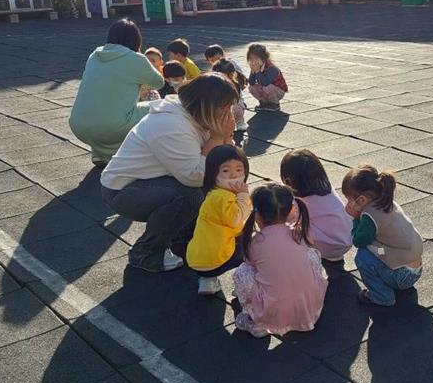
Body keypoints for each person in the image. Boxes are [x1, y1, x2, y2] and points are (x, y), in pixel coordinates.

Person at [100, 74, 238, 272]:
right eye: (224, 107)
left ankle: (182, 234)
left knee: (219, 183)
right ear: (206, 105)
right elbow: (195, 176)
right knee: (189, 196)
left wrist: (226, 137)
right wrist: (217, 138)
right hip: (123, 190)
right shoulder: (170, 125)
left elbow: (227, 163)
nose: (228, 113)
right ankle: (146, 252)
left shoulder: (199, 117)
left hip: (158, 180)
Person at [232, 183, 328, 338]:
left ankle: (259, 324)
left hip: (273, 310)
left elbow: (251, 264)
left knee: (243, 271)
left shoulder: (256, 241)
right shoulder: (299, 233)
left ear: (257, 215)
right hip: (309, 305)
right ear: (291, 210)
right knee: (311, 255)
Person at [69, 19, 166, 166]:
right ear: (136, 40)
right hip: (111, 127)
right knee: (164, 107)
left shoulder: (94, 55)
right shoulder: (136, 58)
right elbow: (159, 83)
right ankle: (139, 153)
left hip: (78, 125)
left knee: (105, 111)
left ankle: (100, 154)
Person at [342, 165, 423, 306]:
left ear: (361, 200)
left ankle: (382, 296)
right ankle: (392, 281)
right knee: (377, 249)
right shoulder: (388, 202)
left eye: (349, 200)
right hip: (416, 270)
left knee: (363, 256)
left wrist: (356, 219)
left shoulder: (369, 216)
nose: (347, 204)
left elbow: (358, 241)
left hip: (401, 276)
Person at [186, 145, 252, 296]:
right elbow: (236, 219)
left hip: (198, 260)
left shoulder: (213, 194)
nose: (233, 175)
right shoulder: (222, 197)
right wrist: (243, 196)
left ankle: (207, 281)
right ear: (213, 174)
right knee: (249, 242)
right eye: (226, 171)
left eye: (239, 170)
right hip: (220, 259)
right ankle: (244, 286)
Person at [280, 149, 353, 263]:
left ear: (288, 180)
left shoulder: (300, 202)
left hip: (331, 247)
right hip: (347, 238)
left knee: (285, 227)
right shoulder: (325, 187)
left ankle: (308, 258)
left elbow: (288, 220)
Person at [247, 43, 287, 111]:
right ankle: (263, 103)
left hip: (278, 91)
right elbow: (251, 83)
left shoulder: (272, 68)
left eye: (256, 58)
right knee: (252, 88)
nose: (253, 61)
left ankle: (275, 104)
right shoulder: (255, 67)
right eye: (251, 58)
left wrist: (257, 71)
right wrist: (253, 72)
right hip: (265, 89)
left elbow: (265, 83)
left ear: (263, 58)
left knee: (267, 87)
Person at [212, 59, 249, 132]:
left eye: (221, 76)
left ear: (231, 75)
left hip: (233, 106)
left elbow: (235, 101)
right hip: (220, 108)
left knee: (234, 109)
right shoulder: (214, 84)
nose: (218, 78)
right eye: (216, 75)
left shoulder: (234, 85)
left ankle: (239, 122)